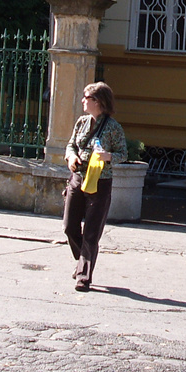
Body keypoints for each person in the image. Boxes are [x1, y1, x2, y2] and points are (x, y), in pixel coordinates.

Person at [63, 82, 129, 292]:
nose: (83, 100)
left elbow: (123, 154)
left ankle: (83, 276)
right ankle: (84, 259)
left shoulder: (113, 127)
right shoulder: (81, 122)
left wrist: (108, 156)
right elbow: (71, 144)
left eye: (87, 97)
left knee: (91, 232)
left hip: (100, 182)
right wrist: (71, 156)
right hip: (78, 178)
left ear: (98, 101)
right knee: (69, 226)